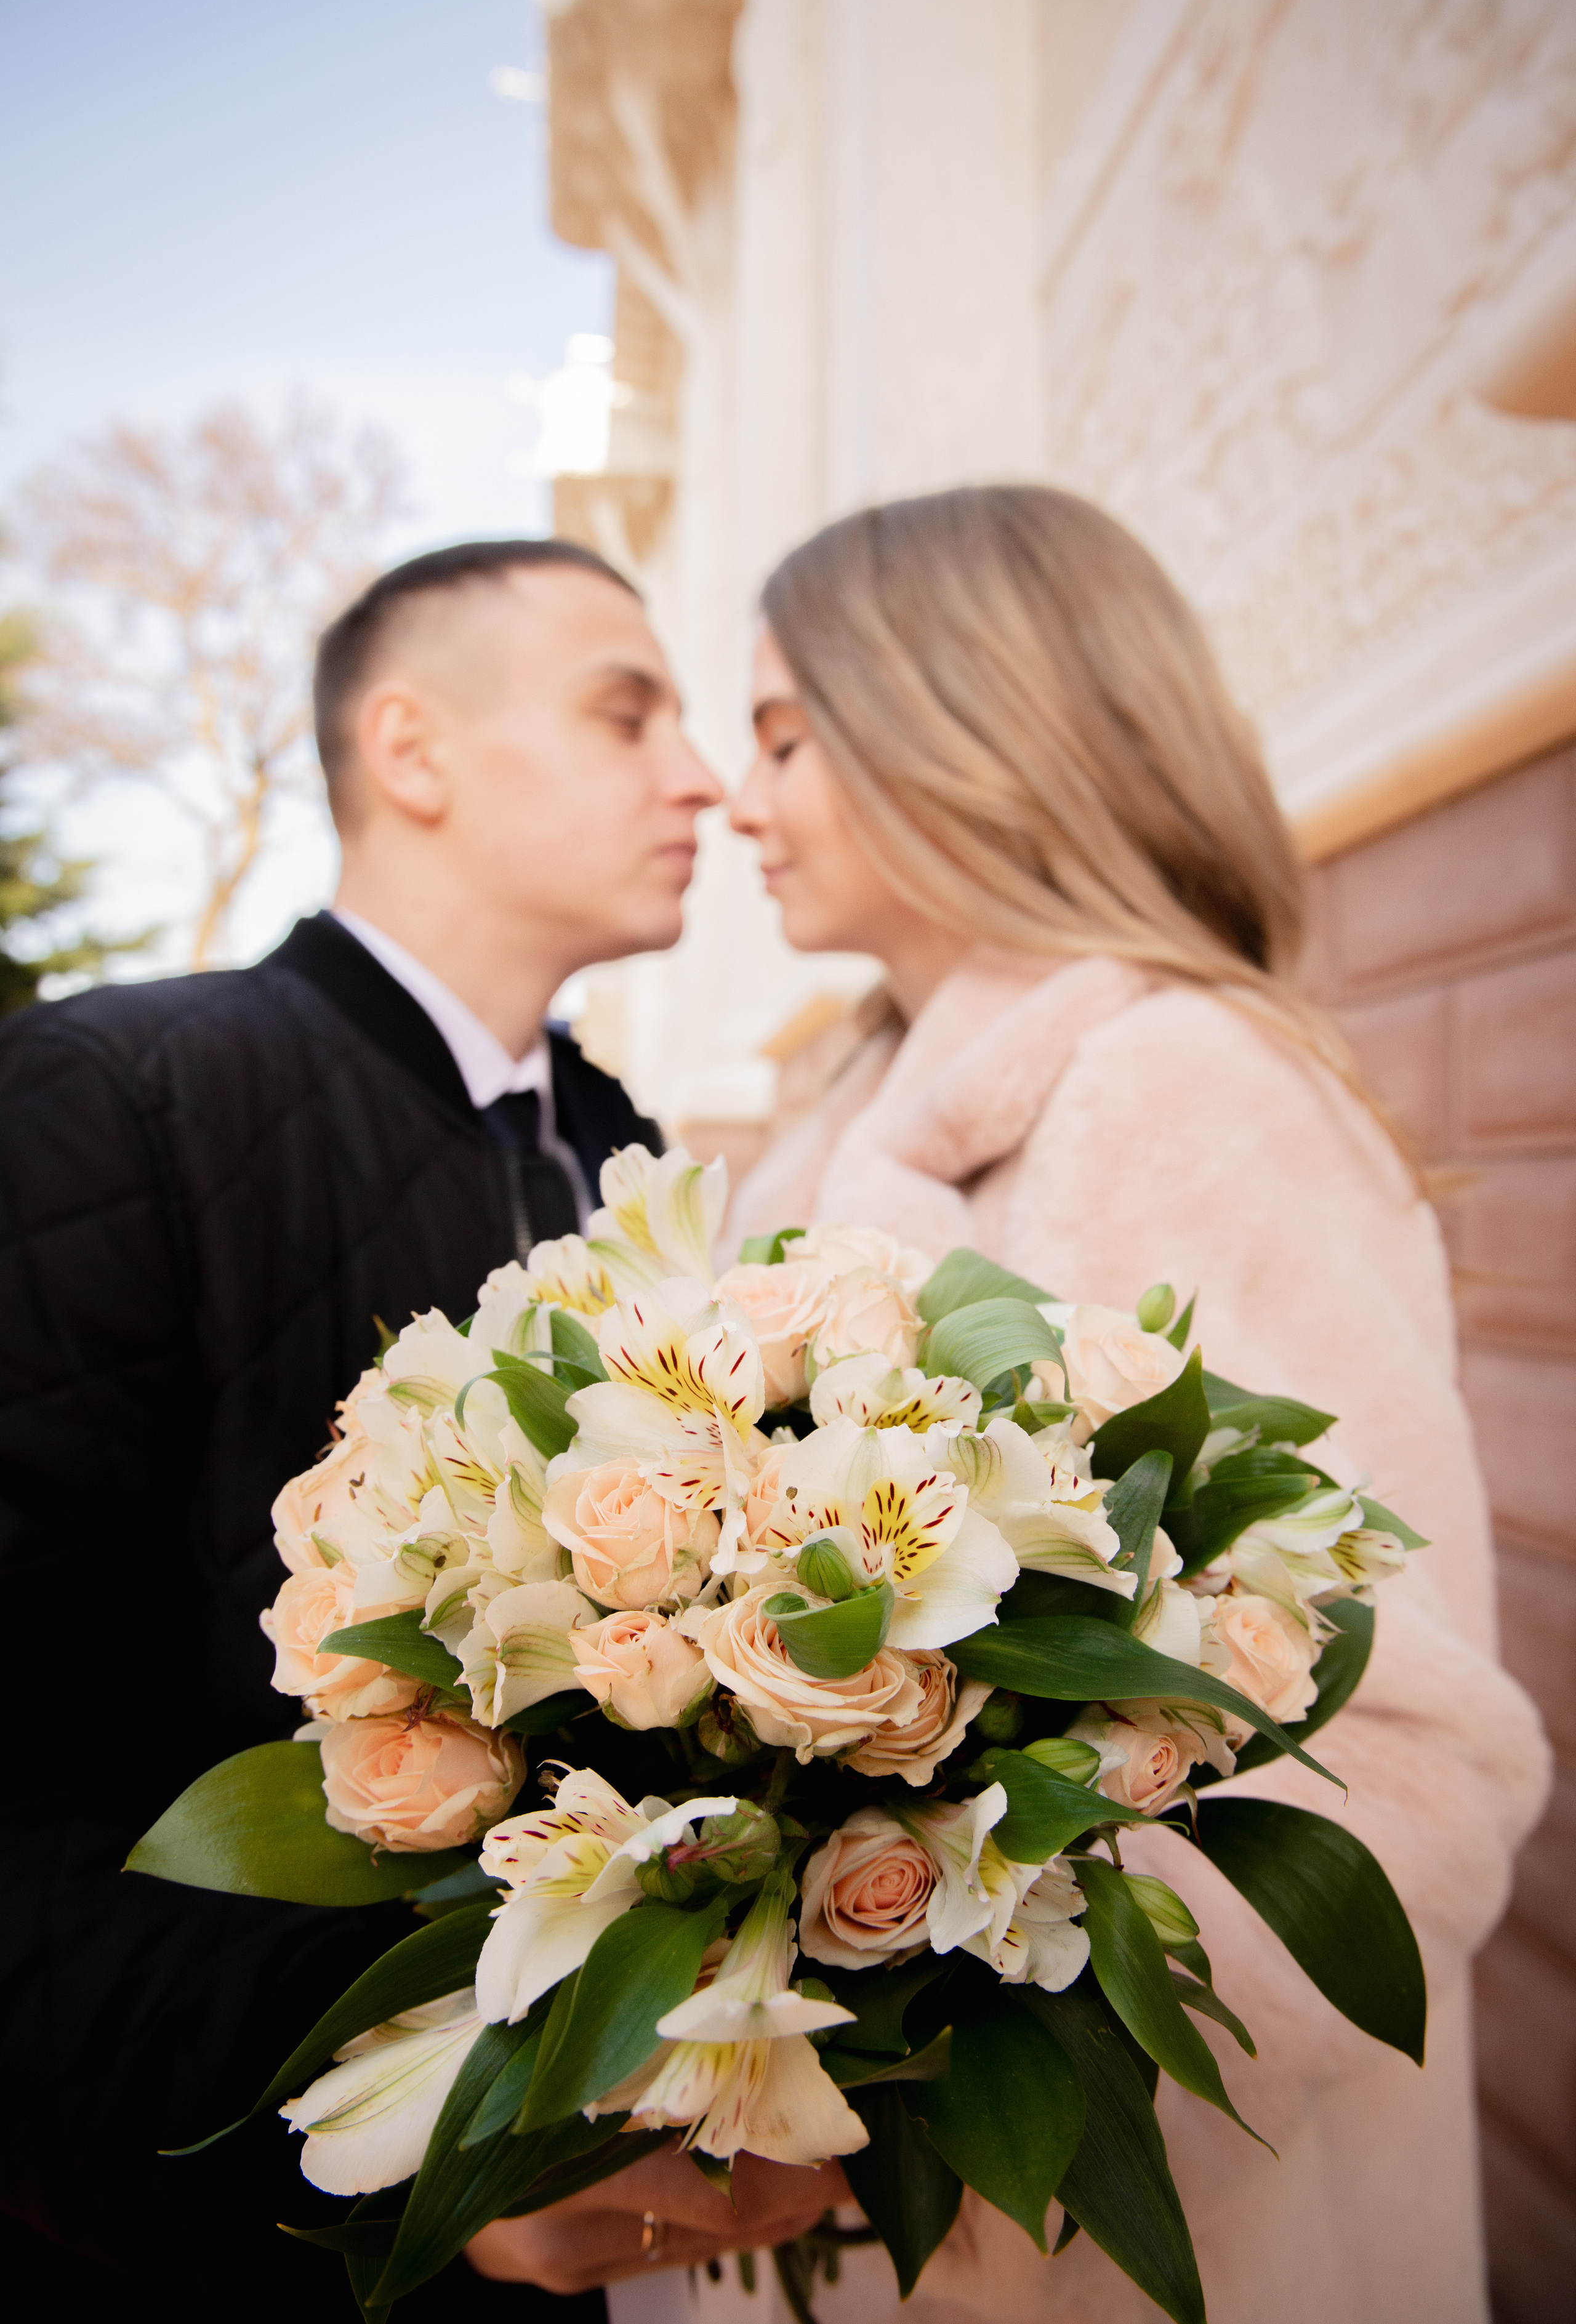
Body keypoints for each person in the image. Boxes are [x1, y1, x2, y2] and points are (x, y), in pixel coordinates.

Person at [699, 485, 1549, 2324]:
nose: (738, 801)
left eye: (782, 735)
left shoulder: (1182, 1083)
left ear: (959, 715)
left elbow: (1414, 1752)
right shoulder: (840, 1121)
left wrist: (972, 2092)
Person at [0, 536, 806, 2314]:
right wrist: (387, 2123)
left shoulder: (628, 1163)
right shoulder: (117, 1101)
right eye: (628, 712)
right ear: (414, 751)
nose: (699, 775)